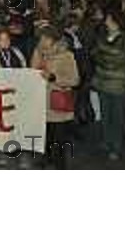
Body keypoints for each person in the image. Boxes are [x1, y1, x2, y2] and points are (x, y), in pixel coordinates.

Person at [31, 26, 79, 169]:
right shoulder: (39, 53)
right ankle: (45, 159)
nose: (42, 41)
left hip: (58, 104)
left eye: (45, 38)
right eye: (41, 38)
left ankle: (60, 165)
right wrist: (37, 54)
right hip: (42, 102)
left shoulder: (66, 55)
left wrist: (53, 78)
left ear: (53, 39)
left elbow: (74, 80)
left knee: (59, 138)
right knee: (46, 136)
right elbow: (33, 72)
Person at [91, 8, 125, 160]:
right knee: (105, 113)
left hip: (118, 84)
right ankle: (106, 141)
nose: (106, 21)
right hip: (102, 82)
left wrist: (105, 55)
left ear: (116, 22)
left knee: (117, 116)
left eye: (109, 18)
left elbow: (121, 59)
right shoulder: (102, 36)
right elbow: (94, 54)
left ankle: (116, 147)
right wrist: (108, 54)